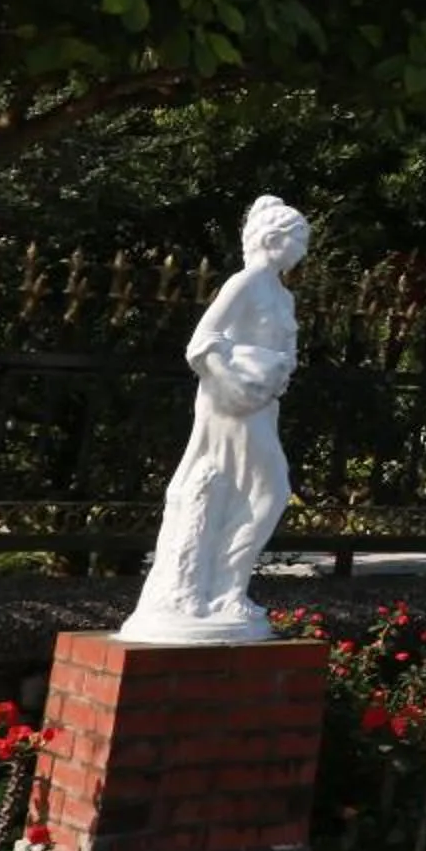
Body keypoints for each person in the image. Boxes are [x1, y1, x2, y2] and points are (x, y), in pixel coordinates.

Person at [119, 195, 310, 643]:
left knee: (253, 490)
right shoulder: (245, 283)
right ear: (273, 239)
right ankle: (223, 588)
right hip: (229, 402)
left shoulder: (282, 294)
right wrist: (232, 383)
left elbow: (287, 352)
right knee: (270, 488)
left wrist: (278, 374)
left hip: (261, 402)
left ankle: (223, 589)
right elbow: (201, 342)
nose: (303, 250)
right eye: (299, 239)